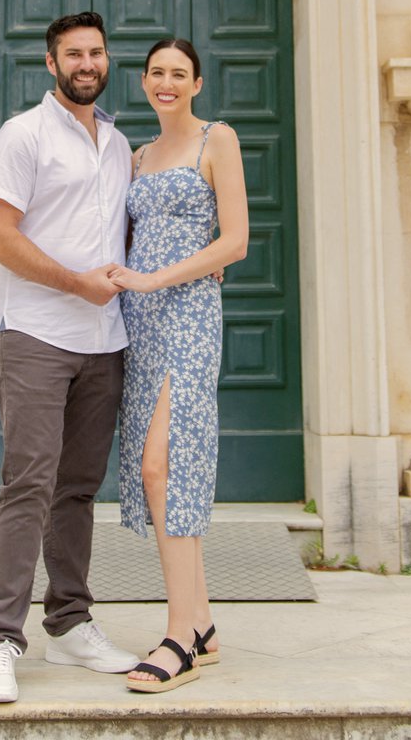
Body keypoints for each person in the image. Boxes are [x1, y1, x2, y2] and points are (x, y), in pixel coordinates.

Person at [0, 10, 142, 704]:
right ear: (51, 63)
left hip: (106, 343)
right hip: (36, 334)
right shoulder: (24, 135)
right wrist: (75, 284)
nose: (87, 64)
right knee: (29, 486)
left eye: (96, 53)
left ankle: (69, 624)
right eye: (74, 54)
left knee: (76, 492)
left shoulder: (121, 142)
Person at [107, 38, 248, 694]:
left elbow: (235, 240)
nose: (167, 83)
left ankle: (180, 632)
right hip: (141, 323)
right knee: (161, 467)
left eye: (179, 74)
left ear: (197, 83)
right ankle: (205, 623)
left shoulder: (217, 139)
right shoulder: (136, 157)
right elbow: (124, 240)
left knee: (164, 462)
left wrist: (159, 276)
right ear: (145, 82)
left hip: (190, 313)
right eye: (158, 73)